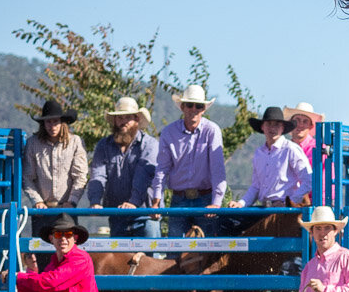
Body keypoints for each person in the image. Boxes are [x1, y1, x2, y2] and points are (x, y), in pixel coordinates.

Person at [149, 85, 227, 240]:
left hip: (205, 198)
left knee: (207, 251)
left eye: (198, 106)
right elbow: (162, 169)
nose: (194, 109)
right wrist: (157, 200)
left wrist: (216, 202)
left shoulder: (212, 131)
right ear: (182, 107)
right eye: (190, 105)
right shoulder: (168, 132)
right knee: (174, 249)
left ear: (204, 109)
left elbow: (217, 169)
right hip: (179, 199)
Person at [86, 97, 160, 239]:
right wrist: (95, 201)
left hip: (145, 215)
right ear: (114, 121)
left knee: (150, 259)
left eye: (128, 118)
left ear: (136, 119)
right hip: (117, 215)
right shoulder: (103, 145)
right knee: (118, 260)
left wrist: (133, 202)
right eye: (119, 118)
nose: (123, 122)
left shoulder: (149, 144)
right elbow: (98, 175)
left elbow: (143, 175)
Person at [22, 99, 89, 241]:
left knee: (67, 253)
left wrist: (72, 201)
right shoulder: (33, 143)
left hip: (67, 209)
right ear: (43, 124)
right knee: (42, 254)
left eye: (55, 121)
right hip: (42, 211)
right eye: (48, 122)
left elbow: (81, 176)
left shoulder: (75, 142)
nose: (52, 126)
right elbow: (27, 177)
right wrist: (37, 201)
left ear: (62, 122)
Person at [230, 106, 312, 211]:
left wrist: (290, 202)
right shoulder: (259, 153)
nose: (272, 128)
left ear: (282, 128)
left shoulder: (291, 149)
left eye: (277, 125)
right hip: (264, 209)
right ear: (263, 127)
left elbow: (308, 180)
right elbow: (256, 186)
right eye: (269, 124)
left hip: (285, 211)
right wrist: (241, 203)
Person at [284, 102, 325, 168]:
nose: (300, 125)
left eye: (305, 121)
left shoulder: (319, 148)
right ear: (291, 123)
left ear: (311, 126)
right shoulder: (283, 148)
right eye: (297, 120)